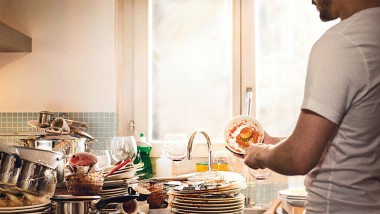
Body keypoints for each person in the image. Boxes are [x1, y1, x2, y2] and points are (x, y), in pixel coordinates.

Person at [241, 0, 380, 213]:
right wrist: (278, 143)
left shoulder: (342, 43)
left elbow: (299, 157)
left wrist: (261, 154)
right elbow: (359, 137)